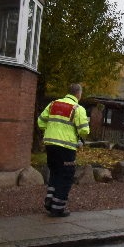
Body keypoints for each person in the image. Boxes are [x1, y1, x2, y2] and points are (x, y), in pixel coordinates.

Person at [37, 84, 90, 217]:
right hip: (66, 147)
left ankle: (50, 199)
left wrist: (51, 132)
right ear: (78, 94)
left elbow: (40, 122)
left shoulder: (53, 104)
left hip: (50, 145)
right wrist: (77, 137)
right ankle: (58, 207)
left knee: (55, 171)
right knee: (66, 176)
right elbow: (84, 130)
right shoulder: (77, 108)